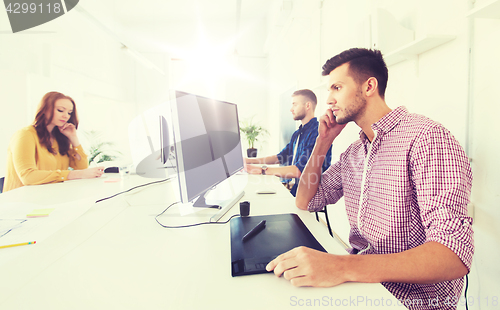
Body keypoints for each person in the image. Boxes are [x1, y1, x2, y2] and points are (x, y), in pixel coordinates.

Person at [266, 48, 473, 310]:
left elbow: (453, 255)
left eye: (337, 88)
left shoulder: (426, 138)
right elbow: (306, 201)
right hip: (363, 283)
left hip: (410, 301)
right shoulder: (354, 152)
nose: (329, 100)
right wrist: (323, 142)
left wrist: (341, 266)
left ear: (369, 86)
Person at [4, 91, 104, 192]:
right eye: (60, 110)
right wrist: (75, 174)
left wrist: (73, 138)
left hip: (48, 196)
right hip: (21, 200)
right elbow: (27, 176)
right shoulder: (25, 134)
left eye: (69, 113)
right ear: (45, 109)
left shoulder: (59, 138)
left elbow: (82, 168)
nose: (66, 116)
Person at [244, 89, 332, 196]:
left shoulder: (317, 131)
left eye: (294, 104)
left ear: (307, 105)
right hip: (293, 187)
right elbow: (280, 157)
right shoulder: (297, 133)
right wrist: (249, 161)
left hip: (309, 192)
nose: (291, 109)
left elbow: (299, 170)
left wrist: (262, 170)